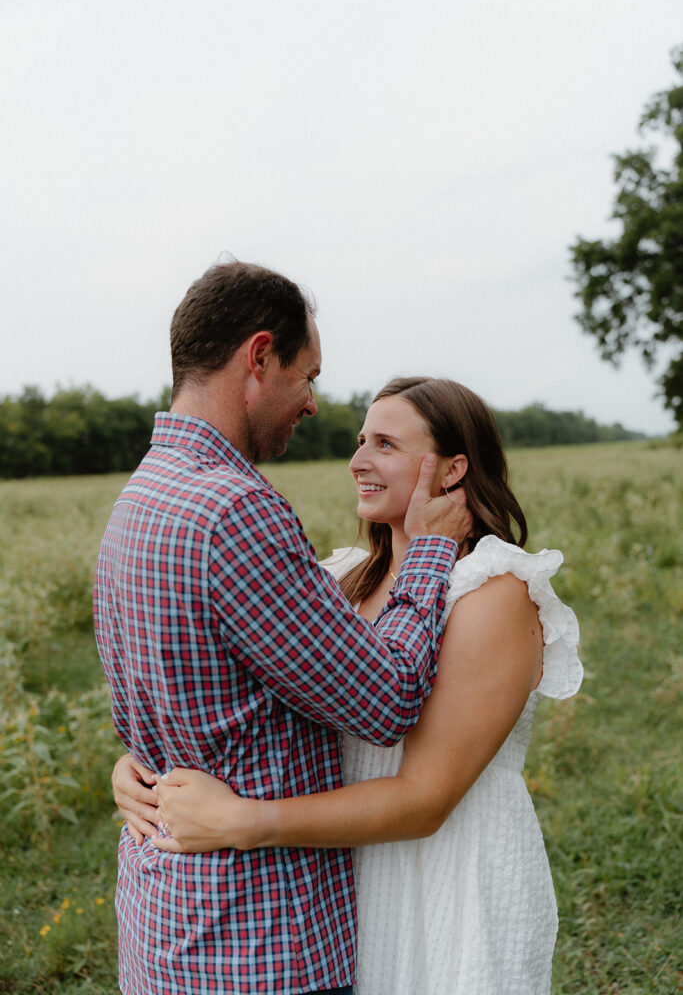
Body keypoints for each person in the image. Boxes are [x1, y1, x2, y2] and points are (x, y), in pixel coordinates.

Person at [115, 375, 582, 995]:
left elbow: (425, 800)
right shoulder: (339, 580)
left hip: (447, 882)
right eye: (361, 440)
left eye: (385, 444)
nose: (358, 460)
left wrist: (246, 821)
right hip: (344, 884)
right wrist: (143, 770)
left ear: (452, 469)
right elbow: (250, 704)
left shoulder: (492, 592)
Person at [94, 261, 472, 995]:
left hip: (164, 920)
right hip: (256, 940)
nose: (312, 404)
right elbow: (388, 702)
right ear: (259, 357)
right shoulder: (233, 509)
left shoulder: (141, 494)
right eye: (309, 375)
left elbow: (168, 708)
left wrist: (131, 767)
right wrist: (428, 552)